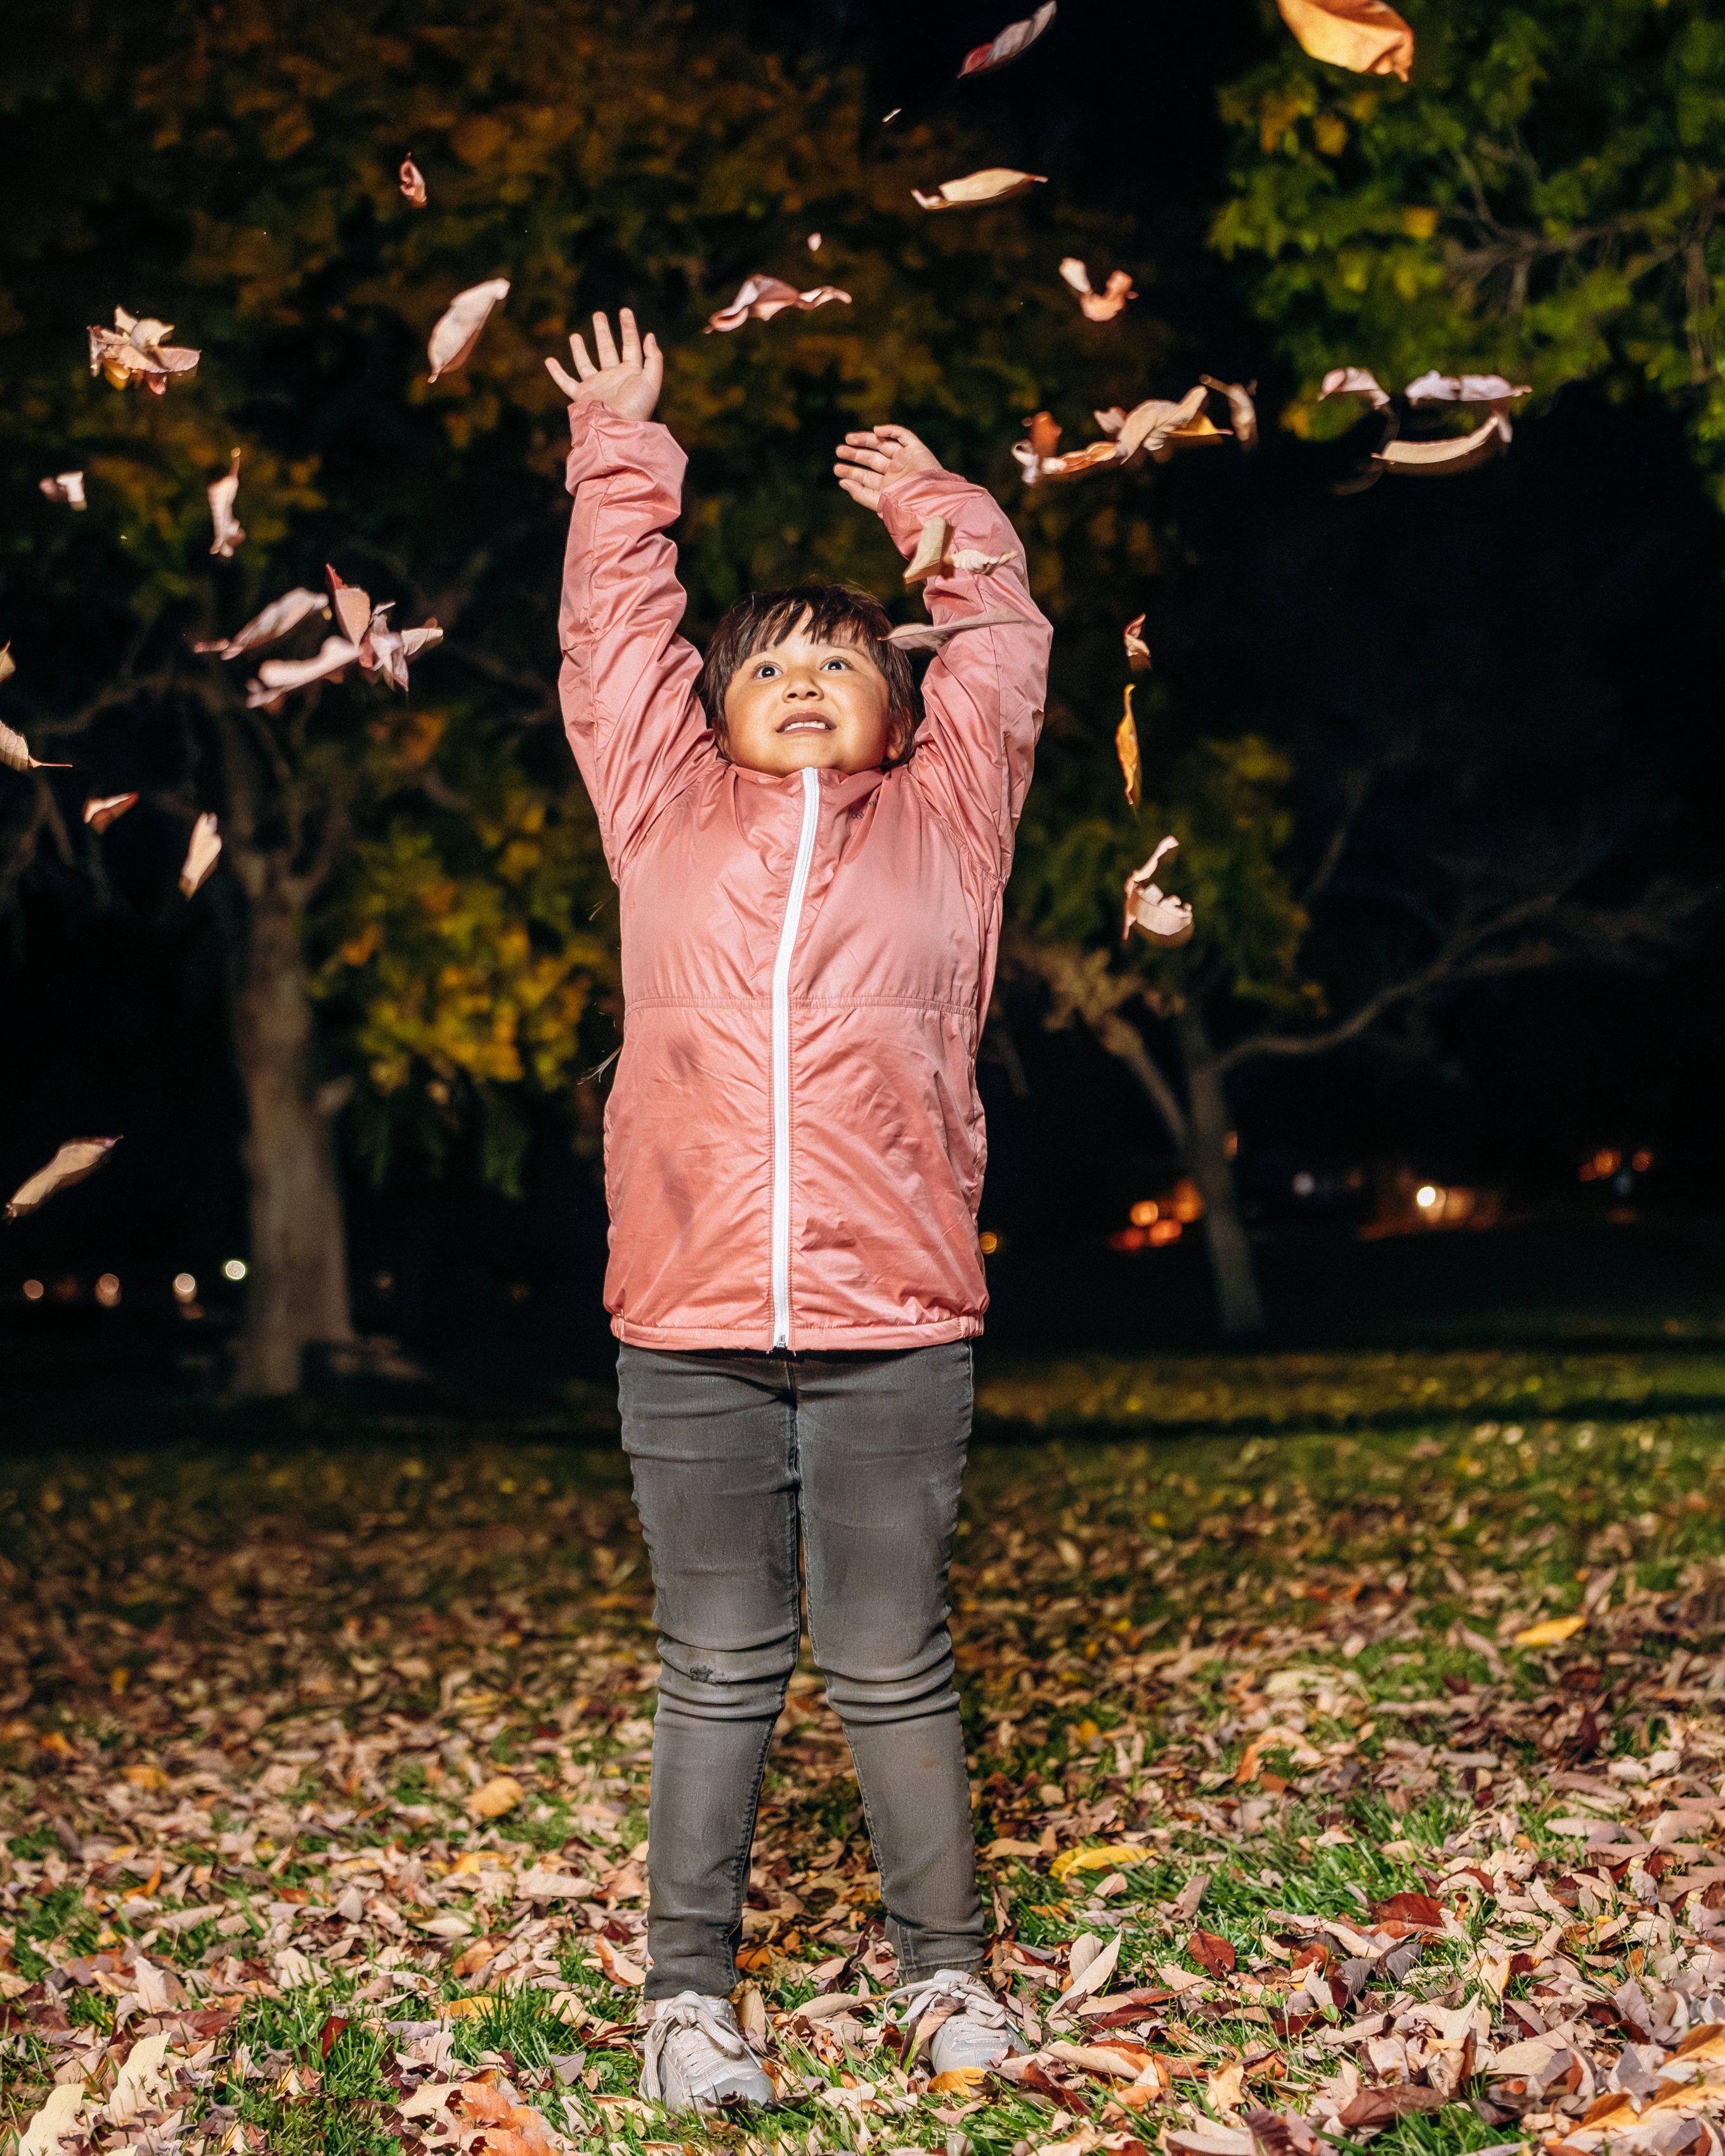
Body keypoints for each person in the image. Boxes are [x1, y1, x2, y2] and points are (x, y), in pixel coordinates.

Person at [548, 308, 1051, 2115]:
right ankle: (690, 2000)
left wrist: (938, 509)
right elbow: (615, 644)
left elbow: (1004, 648)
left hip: (896, 1317)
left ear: (898, 701)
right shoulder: (661, 809)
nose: (812, 679)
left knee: (890, 1662)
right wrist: (625, 458)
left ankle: (948, 1982)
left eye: (846, 659)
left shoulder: (952, 817)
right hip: (685, 1318)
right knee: (717, 1667)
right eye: (773, 665)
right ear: (721, 713)